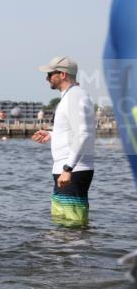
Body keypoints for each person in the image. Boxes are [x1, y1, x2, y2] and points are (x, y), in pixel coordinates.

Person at [31, 57, 95, 227]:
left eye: (50, 74)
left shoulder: (75, 96)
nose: (47, 78)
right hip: (65, 170)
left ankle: (76, 253)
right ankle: (62, 253)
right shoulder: (69, 96)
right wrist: (52, 135)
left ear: (63, 74)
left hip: (72, 170)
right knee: (61, 223)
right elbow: (73, 130)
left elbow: (83, 134)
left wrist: (68, 169)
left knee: (73, 226)